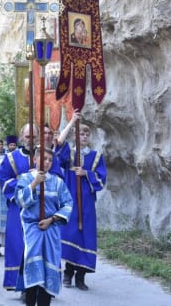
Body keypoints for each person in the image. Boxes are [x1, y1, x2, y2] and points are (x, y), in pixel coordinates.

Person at [0, 123, 63, 292]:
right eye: (28, 137)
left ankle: (43, 285)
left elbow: (57, 177)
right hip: (19, 208)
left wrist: (45, 182)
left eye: (34, 136)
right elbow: (4, 179)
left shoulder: (47, 156)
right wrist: (25, 183)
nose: (31, 140)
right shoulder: (11, 157)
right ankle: (21, 285)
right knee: (20, 246)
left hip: (43, 207)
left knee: (44, 247)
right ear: (22, 137)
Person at [15, 147, 73, 306]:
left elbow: (67, 204)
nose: (46, 162)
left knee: (50, 266)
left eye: (49, 160)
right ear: (35, 159)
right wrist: (34, 183)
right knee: (34, 264)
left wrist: (52, 219)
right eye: (43, 158)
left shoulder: (58, 182)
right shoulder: (26, 178)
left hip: (51, 229)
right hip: (32, 227)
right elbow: (20, 201)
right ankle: (30, 301)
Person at [55, 113, 107, 291]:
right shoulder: (69, 153)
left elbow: (102, 179)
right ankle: (68, 273)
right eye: (81, 134)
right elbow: (59, 144)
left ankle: (81, 277)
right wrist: (71, 122)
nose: (83, 137)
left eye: (86, 134)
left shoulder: (96, 156)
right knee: (70, 234)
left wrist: (87, 174)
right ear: (75, 136)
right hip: (71, 201)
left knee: (86, 237)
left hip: (86, 204)